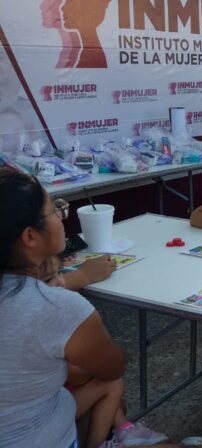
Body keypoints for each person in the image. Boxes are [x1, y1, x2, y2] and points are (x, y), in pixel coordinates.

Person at [0, 169, 127, 448]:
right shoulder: (57, 307)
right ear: (30, 236)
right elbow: (113, 366)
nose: (60, 216)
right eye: (54, 210)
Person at [39, 257, 168, 448]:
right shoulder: (47, 323)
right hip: (50, 411)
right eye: (50, 279)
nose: (61, 282)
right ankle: (108, 438)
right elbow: (77, 375)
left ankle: (123, 429)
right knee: (111, 384)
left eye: (61, 273)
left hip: (58, 404)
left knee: (113, 397)